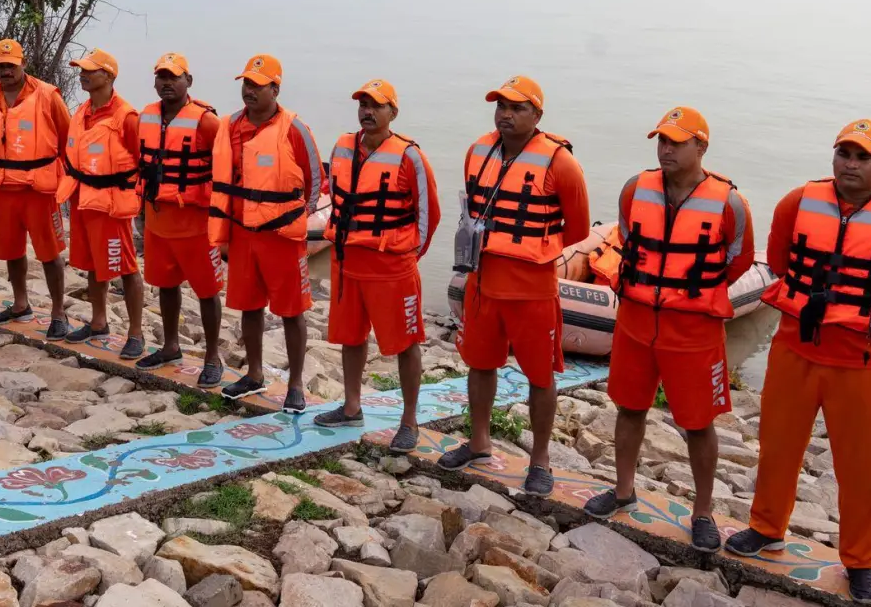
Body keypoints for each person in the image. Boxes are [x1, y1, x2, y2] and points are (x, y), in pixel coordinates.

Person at [724, 119, 871, 605]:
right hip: (795, 348)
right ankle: (765, 526)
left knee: (861, 467)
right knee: (777, 445)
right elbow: (778, 261)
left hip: (862, 361)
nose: (851, 164)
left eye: (864, 156)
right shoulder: (797, 202)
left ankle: (861, 561)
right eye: (844, 153)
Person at [585, 107, 754, 552]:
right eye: (661, 141)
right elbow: (627, 236)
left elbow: (738, 260)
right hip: (638, 320)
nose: (665, 149)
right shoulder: (635, 189)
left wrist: (693, 295)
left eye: (676, 142)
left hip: (693, 328)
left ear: (701, 146)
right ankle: (623, 490)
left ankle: (702, 512)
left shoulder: (729, 203)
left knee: (698, 423)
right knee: (629, 407)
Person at [440, 75, 589, 496]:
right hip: (483, 282)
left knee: (540, 376)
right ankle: (478, 441)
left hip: (532, 289)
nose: (506, 114)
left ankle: (540, 460)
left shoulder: (560, 163)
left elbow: (577, 230)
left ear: (537, 115)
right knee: (479, 365)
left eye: (517, 107)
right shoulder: (478, 150)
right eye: (501, 105)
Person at [313, 79, 440, 449]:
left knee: (405, 343)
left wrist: (408, 256)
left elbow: (428, 215)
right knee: (350, 338)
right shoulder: (342, 146)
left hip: (391, 267)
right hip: (347, 260)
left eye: (377, 105)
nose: (368, 111)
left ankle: (409, 420)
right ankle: (351, 406)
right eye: (363, 104)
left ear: (393, 113)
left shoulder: (409, 156)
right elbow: (330, 193)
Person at [208, 54, 324, 412]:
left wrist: (295, 218)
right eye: (246, 84)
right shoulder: (229, 126)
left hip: (282, 237)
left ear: (275, 88)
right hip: (243, 233)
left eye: (257, 85)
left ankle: (295, 385)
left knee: (292, 311)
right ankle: (254, 373)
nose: (249, 91)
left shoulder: (294, 128)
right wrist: (225, 234)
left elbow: (315, 180)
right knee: (249, 305)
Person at [134, 53, 226, 382]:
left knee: (207, 290)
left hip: (196, 223)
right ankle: (170, 345)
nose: (167, 83)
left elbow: (227, 167)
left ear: (189, 81)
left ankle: (213, 357)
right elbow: (139, 161)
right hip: (158, 221)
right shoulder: (145, 117)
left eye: (174, 77)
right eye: (161, 76)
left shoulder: (207, 121)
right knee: (165, 285)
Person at [0, 39, 71, 329]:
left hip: (38, 189)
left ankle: (58, 313)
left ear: (23, 63)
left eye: (11, 65)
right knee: (11, 250)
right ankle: (20, 304)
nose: (6, 71)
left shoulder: (47, 95)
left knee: (49, 252)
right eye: (1, 66)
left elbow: (68, 137)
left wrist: (69, 183)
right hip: (2, 186)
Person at [57, 48, 146, 353]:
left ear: (107, 76)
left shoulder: (126, 116)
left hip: (112, 205)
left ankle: (136, 334)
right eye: (81, 69)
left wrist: (138, 202)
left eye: (90, 70)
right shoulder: (81, 112)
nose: (82, 74)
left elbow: (141, 162)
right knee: (94, 264)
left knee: (126, 267)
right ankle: (98, 322)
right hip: (83, 200)